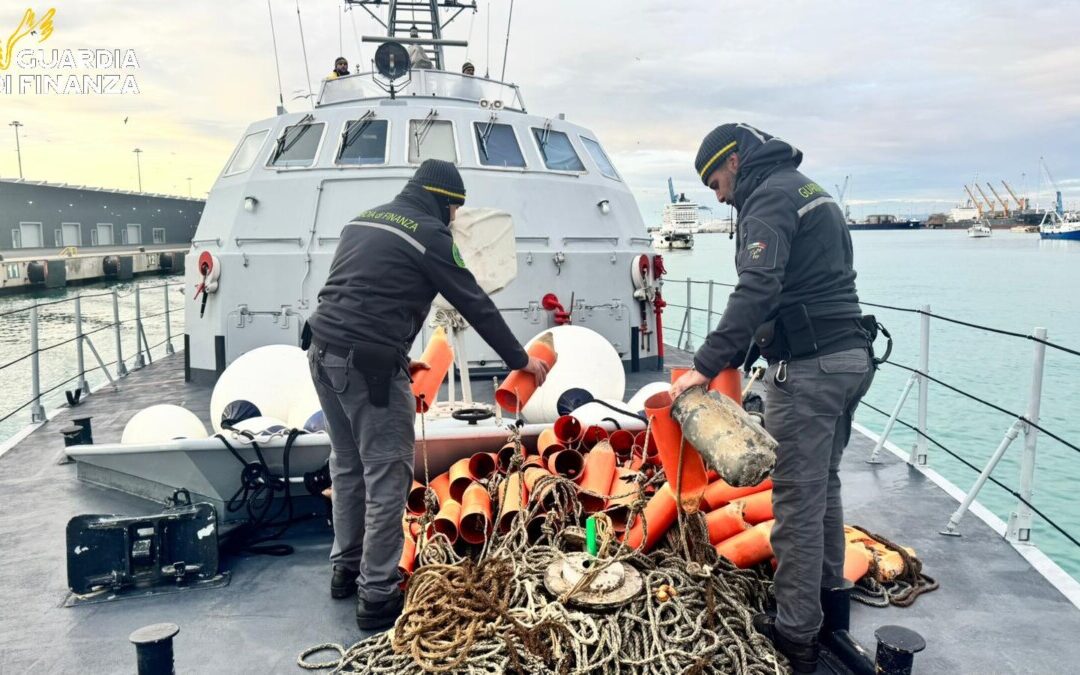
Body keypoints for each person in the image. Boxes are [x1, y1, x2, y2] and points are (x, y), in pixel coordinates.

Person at [305, 159, 550, 631]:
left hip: (320, 350)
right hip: (370, 370)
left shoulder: (365, 219)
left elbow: (354, 297)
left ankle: (345, 569)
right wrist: (521, 361)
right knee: (386, 476)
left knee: (348, 464)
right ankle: (376, 596)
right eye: (455, 210)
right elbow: (473, 302)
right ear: (445, 202)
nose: (455, 219)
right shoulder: (431, 234)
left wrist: (400, 358)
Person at [671, 123, 875, 672]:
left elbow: (758, 287)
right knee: (822, 486)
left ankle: (795, 635)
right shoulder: (810, 189)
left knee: (795, 502)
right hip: (853, 358)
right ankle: (832, 606)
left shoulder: (766, 199)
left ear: (734, 162)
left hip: (809, 369)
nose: (717, 195)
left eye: (715, 181)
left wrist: (707, 367)